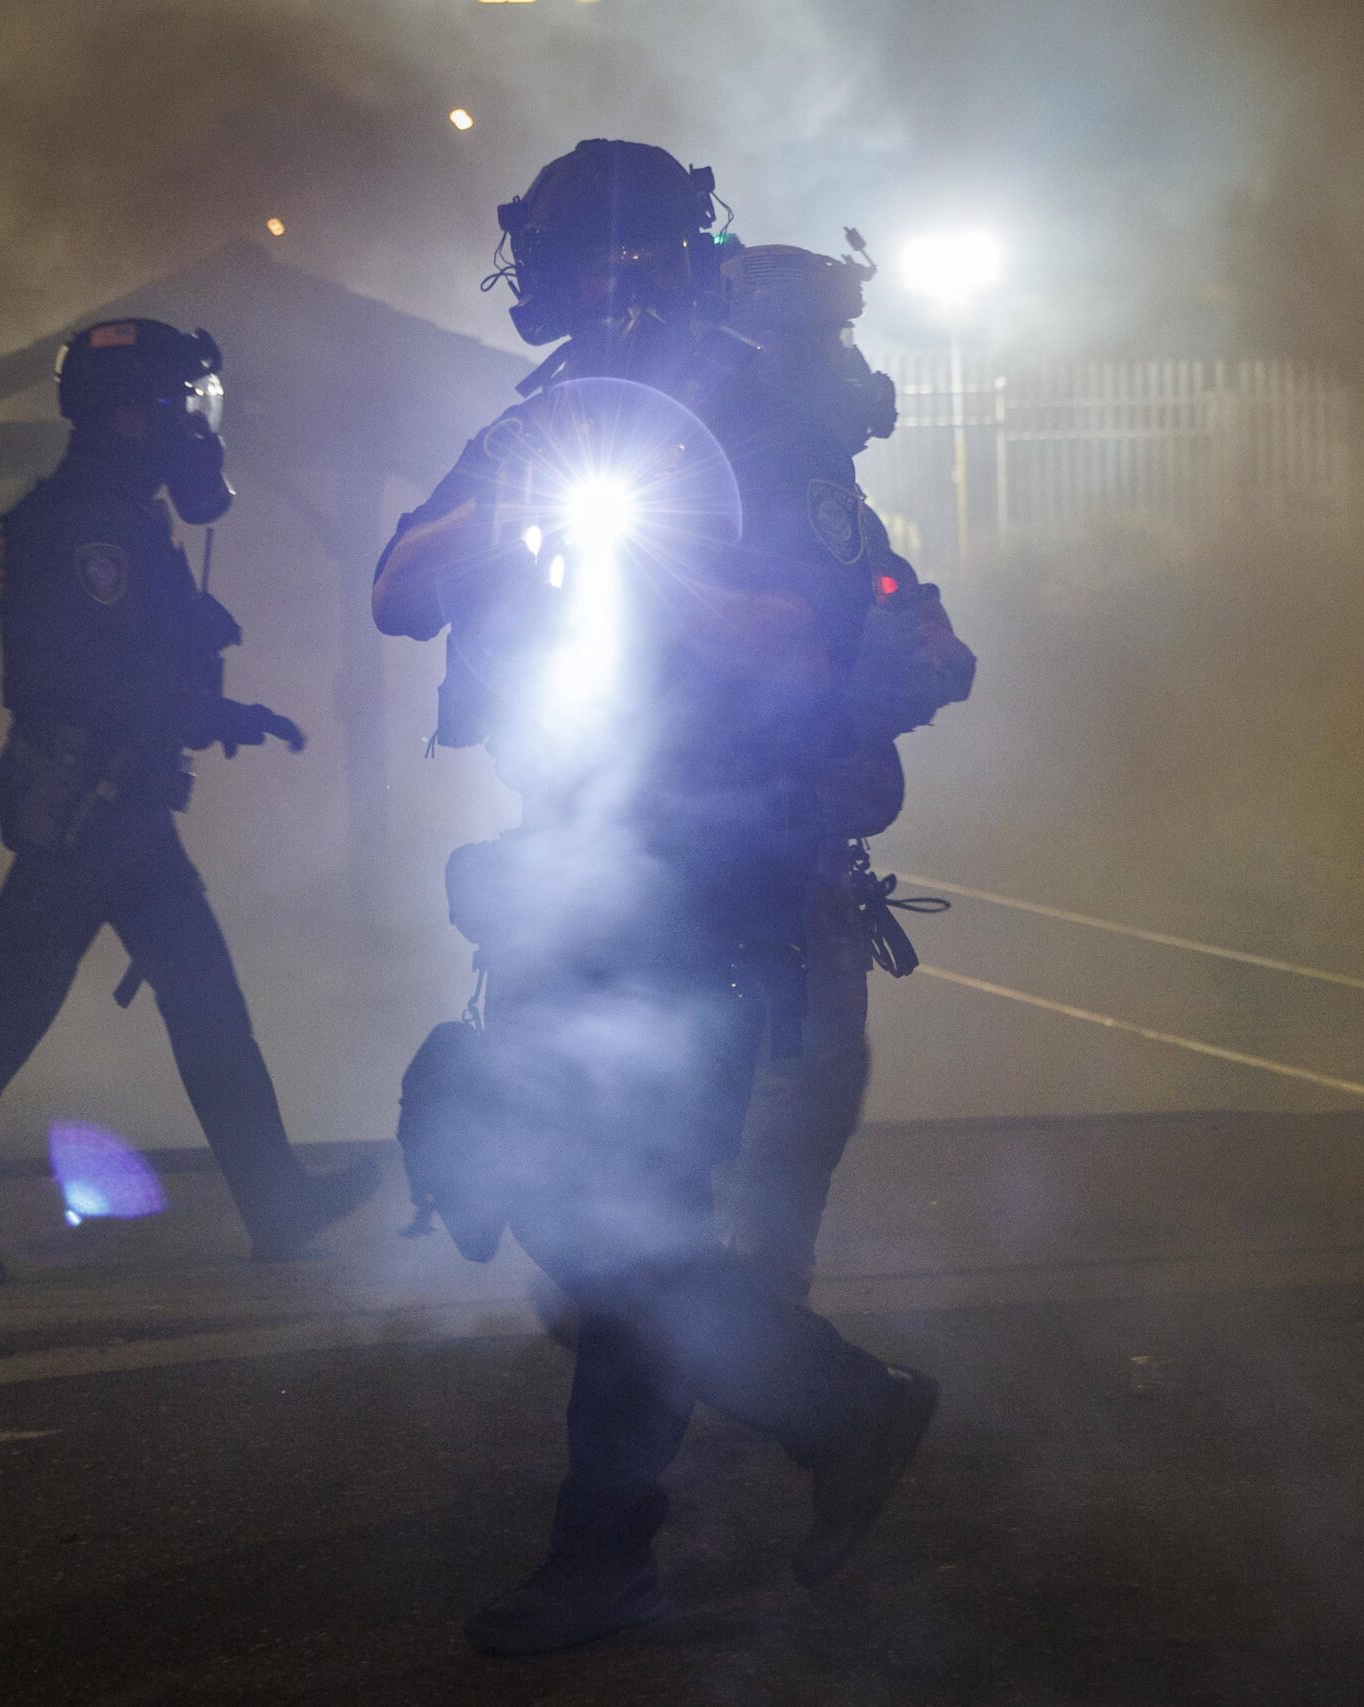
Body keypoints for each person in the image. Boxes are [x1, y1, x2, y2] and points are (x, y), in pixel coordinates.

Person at [376, 141, 936, 1656]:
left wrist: (658, 566)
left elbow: (811, 647)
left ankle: (618, 1546)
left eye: (560, 246)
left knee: (621, 1215)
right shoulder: (546, 418)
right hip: (572, 876)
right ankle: (834, 1407)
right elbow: (399, 579)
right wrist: (521, 516)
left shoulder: (759, 422)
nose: (537, 276)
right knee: (564, 1196)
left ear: (633, 254)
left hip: (716, 882)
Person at [0, 319, 379, 1291]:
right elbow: (92, 678)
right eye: (184, 407)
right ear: (134, 415)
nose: (199, 431)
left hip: (111, 808)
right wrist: (217, 709)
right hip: (95, 811)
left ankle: (276, 1202)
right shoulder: (94, 527)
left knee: (191, 1004)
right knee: (14, 1016)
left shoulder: (102, 515)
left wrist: (206, 705)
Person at [706, 240, 975, 1303]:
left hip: (768, 832)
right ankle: (748, 1328)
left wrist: (920, 644)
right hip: (755, 833)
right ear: (775, 341)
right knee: (793, 1078)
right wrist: (863, 692)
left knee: (786, 1082)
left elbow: (897, 602)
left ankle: (736, 1314)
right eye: (835, 335)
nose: (853, 365)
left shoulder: (801, 483)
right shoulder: (762, 476)